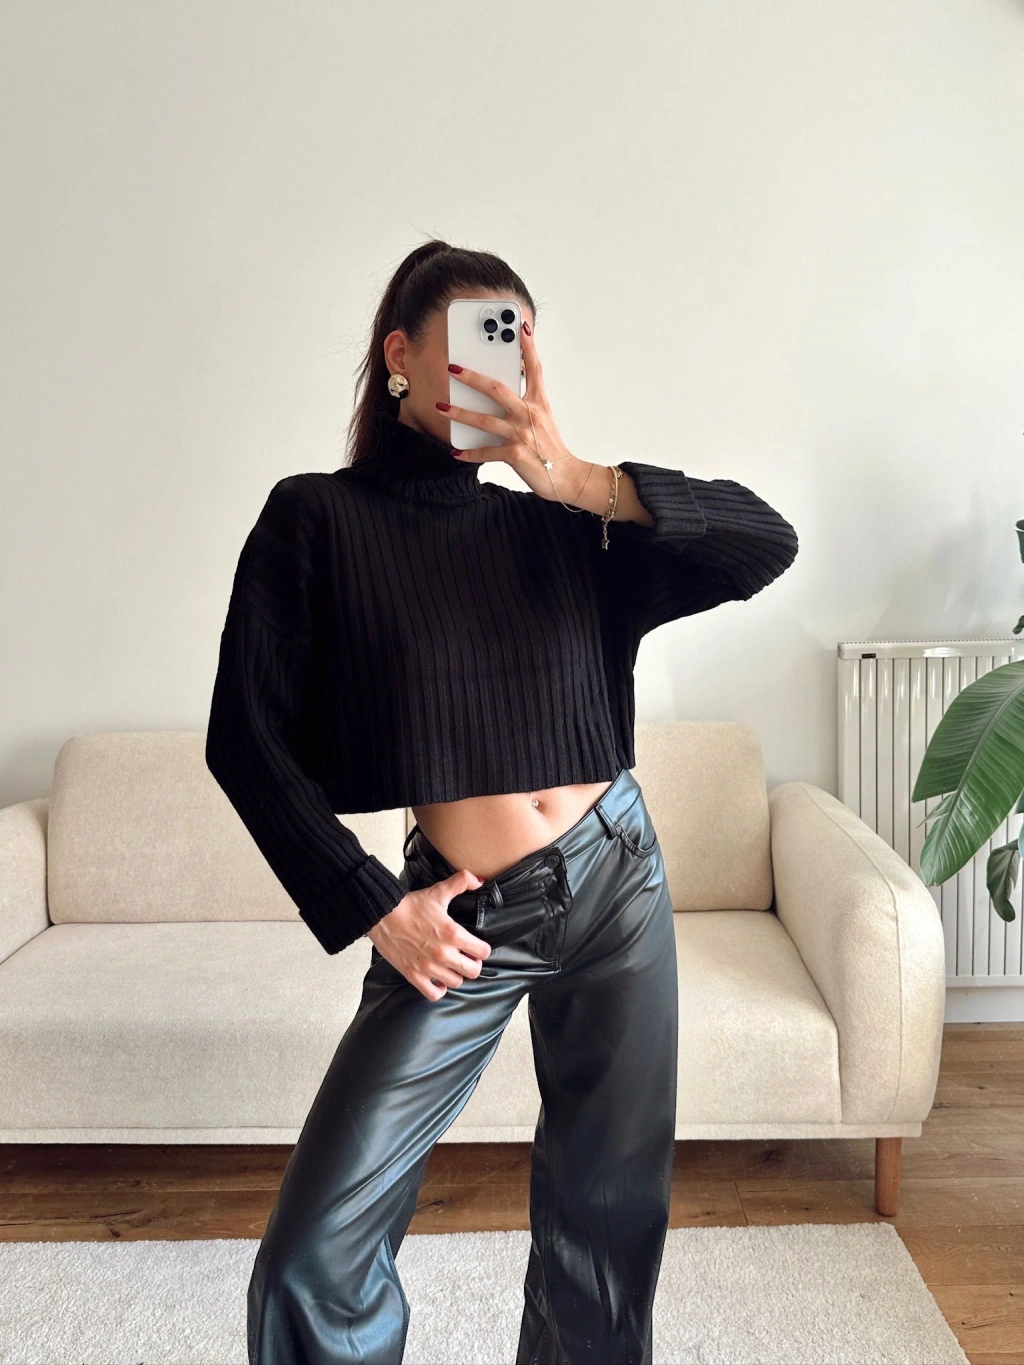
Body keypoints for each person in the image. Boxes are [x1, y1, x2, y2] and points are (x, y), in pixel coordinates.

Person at [205, 239, 799, 1365]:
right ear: (400, 355)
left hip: (619, 879)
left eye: (520, 347)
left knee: (605, 1219)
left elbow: (766, 541)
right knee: (312, 1257)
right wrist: (376, 906)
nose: (503, 369)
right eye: (481, 339)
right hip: (466, 914)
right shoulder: (316, 520)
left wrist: (575, 478)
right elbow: (244, 737)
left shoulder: (560, 526)